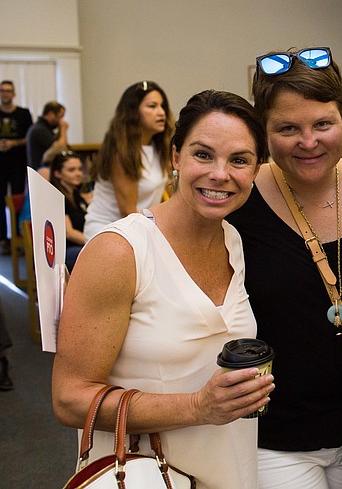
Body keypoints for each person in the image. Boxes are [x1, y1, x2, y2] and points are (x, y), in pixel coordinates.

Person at [52, 89, 271, 489]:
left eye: (239, 160)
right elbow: (69, 398)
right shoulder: (121, 251)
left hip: (229, 467)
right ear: (175, 157)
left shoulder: (233, 241)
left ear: (256, 171)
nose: (220, 173)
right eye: (203, 154)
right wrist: (197, 407)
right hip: (146, 474)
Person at [226, 47, 342, 489]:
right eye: (287, 128)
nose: (309, 141)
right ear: (263, 131)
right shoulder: (238, 205)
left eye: (323, 124)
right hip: (278, 440)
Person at [83, 80, 172, 240]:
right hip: (109, 230)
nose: (161, 113)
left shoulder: (158, 147)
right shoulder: (121, 152)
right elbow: (128, 211)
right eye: (152, 106)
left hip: (140, 227)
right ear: (133, 112)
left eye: (162, 106)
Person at [0, 80, 33, 255]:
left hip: (18, 164)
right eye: (2, 91)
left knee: (17, 199)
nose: (5, 94)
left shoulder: (23, 114)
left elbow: (30, 137)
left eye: (8, 91)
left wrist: (14, 142)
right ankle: (4, 240)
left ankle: (19, 237)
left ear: (13, 94)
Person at [48, 150, 90, 272]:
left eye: (79, 169)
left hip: (79, 245)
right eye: (71, 170)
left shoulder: (75, 194)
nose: (78, 174)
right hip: (64, 252)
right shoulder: (56, 197)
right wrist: (94, 242)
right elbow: (69, 233)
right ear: (57, 174)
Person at [26, 100, 68, 168]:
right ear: (51, 114)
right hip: (40, 170)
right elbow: (59, 148)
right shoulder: (39, 129)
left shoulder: (45, 129)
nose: (61, 120)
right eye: (60, 116)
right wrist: (63, 129)